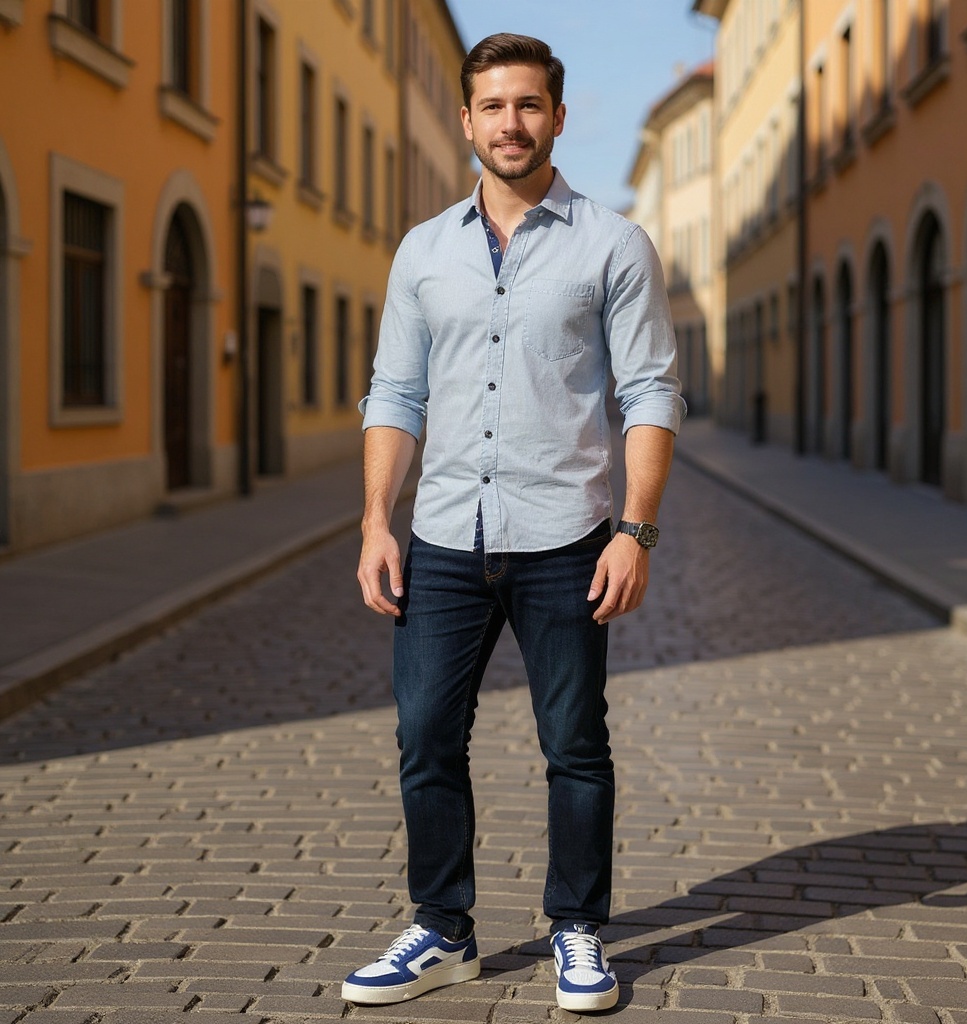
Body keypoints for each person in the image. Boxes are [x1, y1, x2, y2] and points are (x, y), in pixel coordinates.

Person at [345, 32, 684, 1014]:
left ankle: (577, 927)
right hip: (444, 537)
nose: (510, 123)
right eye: (492, 106)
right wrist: (376, 520)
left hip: (566, 539)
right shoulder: (423, 250)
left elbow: (653, 392)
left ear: (557, 116)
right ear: (466, 119)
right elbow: (394, 392)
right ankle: (442, 930)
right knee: (423, 735)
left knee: (574, 742)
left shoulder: (611, 244)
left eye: (528, 104)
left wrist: (638, 529)